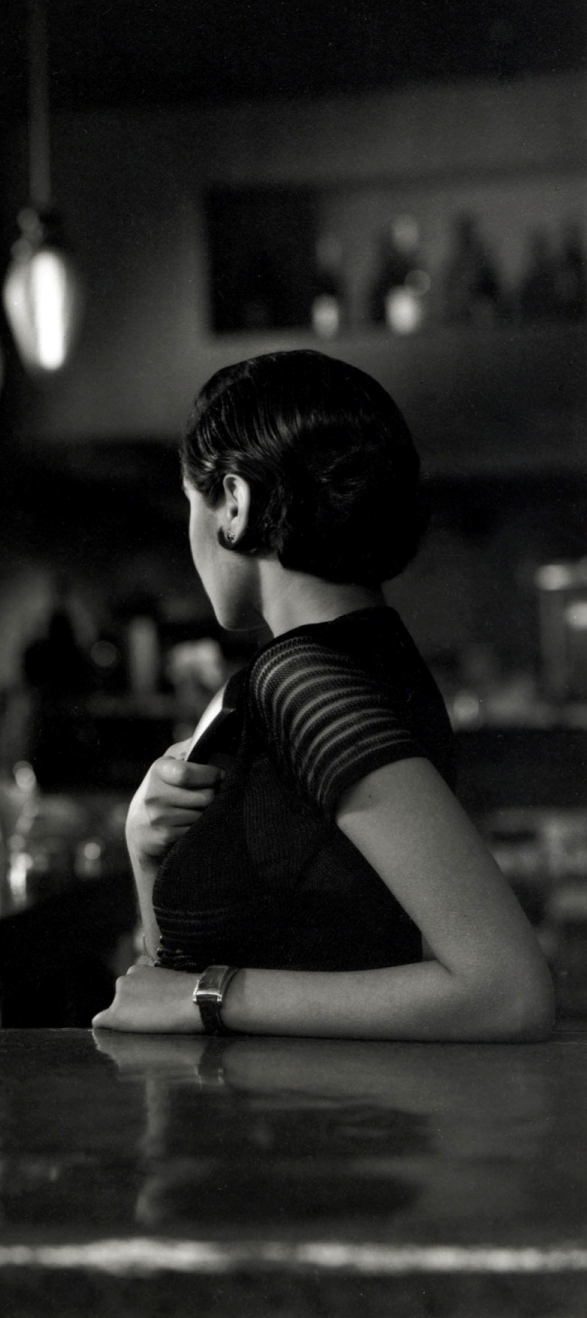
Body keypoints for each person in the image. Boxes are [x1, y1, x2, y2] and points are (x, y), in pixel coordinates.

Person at [93, 350, 554, 1042]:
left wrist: (209, 995)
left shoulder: (302, 677)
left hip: (305, 1107)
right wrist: (145, 847)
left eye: (192, 502)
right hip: (304, 1101)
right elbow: (167, 986)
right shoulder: (367, 656)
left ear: (233, 504)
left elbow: (508, 990)